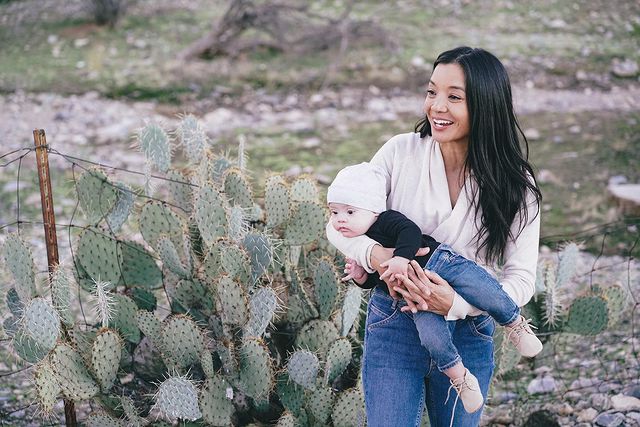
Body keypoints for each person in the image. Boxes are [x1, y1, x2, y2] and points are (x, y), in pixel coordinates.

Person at [326, 46, 542, 427]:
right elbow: (340, 221)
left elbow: (521, 278)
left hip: (470, 332)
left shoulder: (516, 184)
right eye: (431, 92)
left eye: (454, 97)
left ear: (486, 105)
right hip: (395, 320)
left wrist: (456, 304)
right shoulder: (399, 152)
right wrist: (377, 256)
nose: (437, 106)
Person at [326, 161, 542, 414]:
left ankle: (514, 323)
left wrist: (399, 258)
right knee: (433, 338)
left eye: (350, 212)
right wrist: (362, 275)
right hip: (418, 299)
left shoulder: (385, 221)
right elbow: (380, 279)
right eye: (334, 212)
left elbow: (411, 232)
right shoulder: (359, 240)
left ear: (373, 209)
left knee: (483, 288)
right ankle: (460, 378)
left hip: (443, 263)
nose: (341, 220)